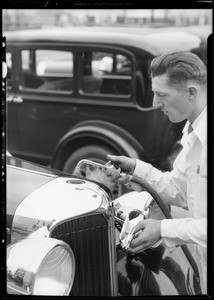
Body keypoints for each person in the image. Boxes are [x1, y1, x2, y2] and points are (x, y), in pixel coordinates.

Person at [107, 51, 207, 294]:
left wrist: (162, 229)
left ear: (191, 93)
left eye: (161, 94)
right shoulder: (194, 131)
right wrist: (137, 170)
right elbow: (179, 190)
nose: (154, 103)